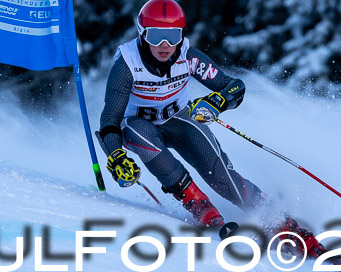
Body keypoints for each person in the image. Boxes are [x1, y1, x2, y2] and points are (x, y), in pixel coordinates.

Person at [98, 0, 326, 258]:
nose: (164, 45)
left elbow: (234, 86)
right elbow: (110, 118)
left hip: (178, 119)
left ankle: (283, 224)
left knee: (221, 175)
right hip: (138, 124)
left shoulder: (189, 57)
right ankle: (197, 203)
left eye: (172, 36)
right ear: (142, 33)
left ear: (181, 35)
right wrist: (115, 155)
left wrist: (217, 102)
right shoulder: (127, 64)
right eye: (156, 35)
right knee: (141, 133)